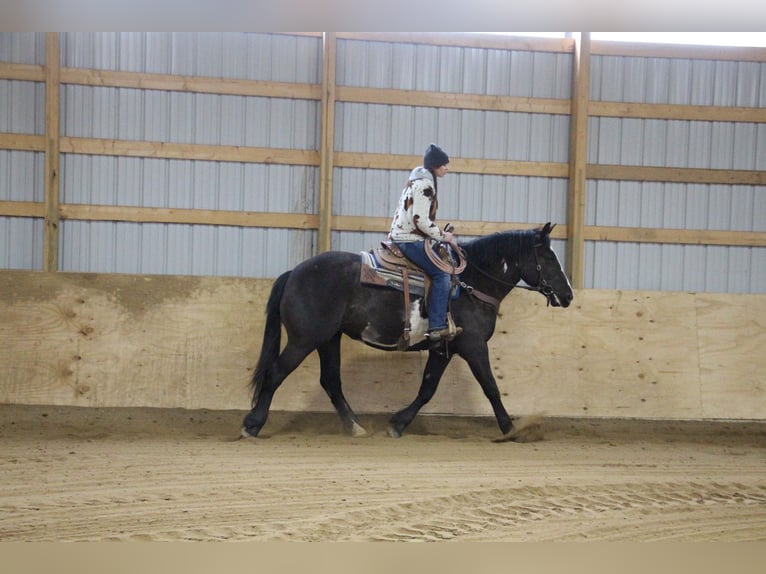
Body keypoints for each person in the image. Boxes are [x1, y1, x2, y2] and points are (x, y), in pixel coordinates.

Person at [389, 143, 462, 342]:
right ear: (435, 166)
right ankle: (437, 325)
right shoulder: (425, 185)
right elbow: (420, 219)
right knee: (442, 274)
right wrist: (442, 235)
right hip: (409, 239)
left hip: (402, 235)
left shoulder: (414, 182)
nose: (447, 168)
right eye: (444, 164)